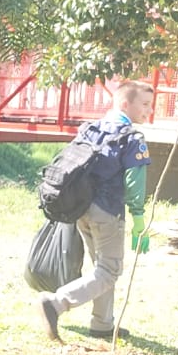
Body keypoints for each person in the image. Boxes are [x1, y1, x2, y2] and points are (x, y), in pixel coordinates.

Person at [38, 80, 153, 341]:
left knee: (102, 267)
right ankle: (55, 303)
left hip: (81, 208)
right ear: (125, 104)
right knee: (109, 270)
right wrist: (139, 218)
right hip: (108, 211)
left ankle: (102, 324)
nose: (149, 110)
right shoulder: (132, 138)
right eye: (145, 104)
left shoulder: (90, 128)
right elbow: (135, 182)